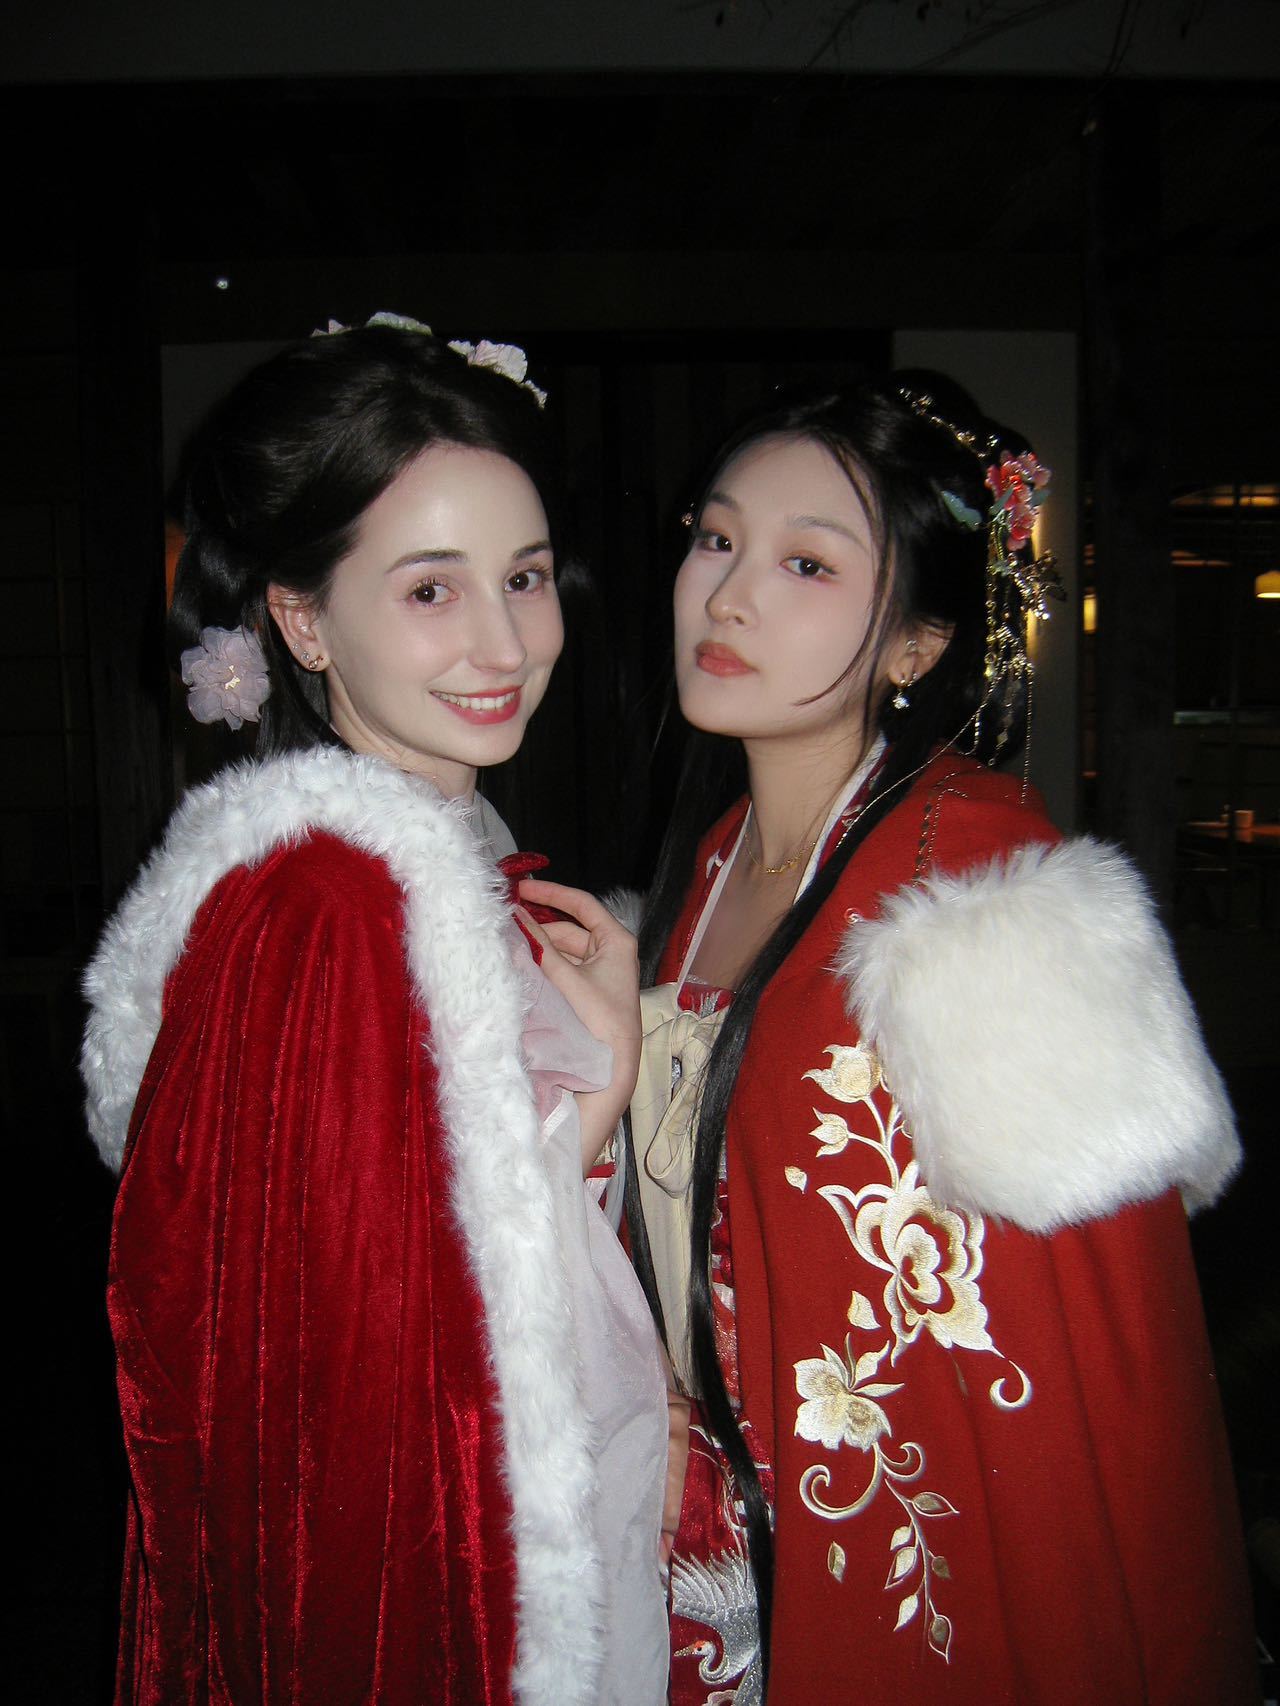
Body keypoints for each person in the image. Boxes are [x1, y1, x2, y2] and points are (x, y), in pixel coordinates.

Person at [628, 376, 1257, 1704]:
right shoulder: (715, 862)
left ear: (916, 645)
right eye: (717, 537)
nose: (728, 595)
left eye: (806, 562)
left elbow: (1089, 1367)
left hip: (897, 1570)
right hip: (707, 1542)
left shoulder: (978, 891)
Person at [80, 315, 671, 1706]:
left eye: (524, 577)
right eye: (429, 590)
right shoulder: (327, 907)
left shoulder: (439, 850)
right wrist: (595, 1103)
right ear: (302, 619)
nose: (504, 642)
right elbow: (355, 1394)